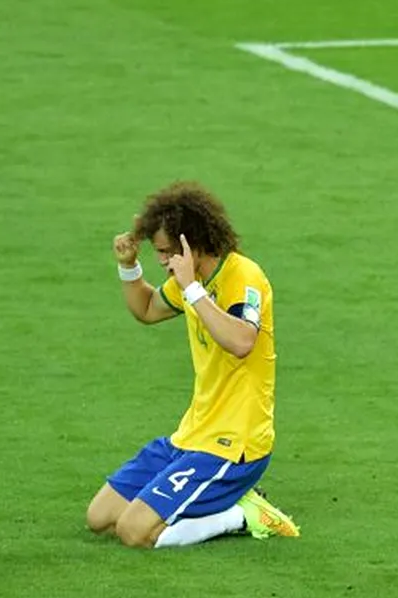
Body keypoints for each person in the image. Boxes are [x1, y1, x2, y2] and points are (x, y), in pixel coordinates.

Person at [86, 181, 301, 547]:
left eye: (168, 252)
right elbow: (148, 309)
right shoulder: (192, 280)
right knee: (100, 518)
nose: (163, 261)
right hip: (191, 435)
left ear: (193, 243)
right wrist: (129, 268)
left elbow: (241, 341)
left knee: (134, 532)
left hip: (234, 446)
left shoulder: (244, 276)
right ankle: (225, 503)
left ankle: (245, 515)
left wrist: (191, 289)